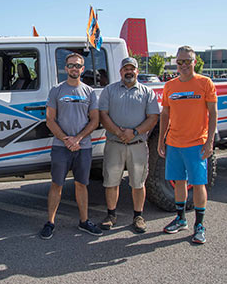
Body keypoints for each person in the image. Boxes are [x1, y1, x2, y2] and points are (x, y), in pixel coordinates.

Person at [157, 46, 217, 244]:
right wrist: (161, 140)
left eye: (187, 61)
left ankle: (199, 225)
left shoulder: (205, 83)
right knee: (178, 182)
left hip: (196, 143)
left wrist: (209, 142)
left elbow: (213, 113)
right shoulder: (170, 86)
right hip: (174, 142)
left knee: (198, 183)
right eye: (180, 61)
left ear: (195, 62)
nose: (183, 65)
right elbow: (165, 114)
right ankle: (180, 218)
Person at [40, 52, 102, 239]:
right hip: (61, 146)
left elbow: (94, 120)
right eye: (71, 65)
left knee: (81, 184)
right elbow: (49, 119)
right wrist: (67, 139)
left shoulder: (89, 92)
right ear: (65, 68)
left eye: (78, 65)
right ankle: (50, 222)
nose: (74, 68)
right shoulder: (56, 91)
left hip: (83, 147)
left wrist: (78, 139)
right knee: (56, 184)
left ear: (83, 69)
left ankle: (84, 221)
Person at [98, 57, 160, 232]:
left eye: (132, 69)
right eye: (125, 68)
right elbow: (103, 114)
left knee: (138, 183)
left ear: (137, 71)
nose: (129, 72)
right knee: (111, 181)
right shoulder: (109, 90)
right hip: (114, 143)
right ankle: (111, 215)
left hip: (138, 144)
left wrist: (134, 132)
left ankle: (138, 216)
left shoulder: (148, 92)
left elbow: (153, 117)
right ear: (120, 72)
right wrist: (119, 132)